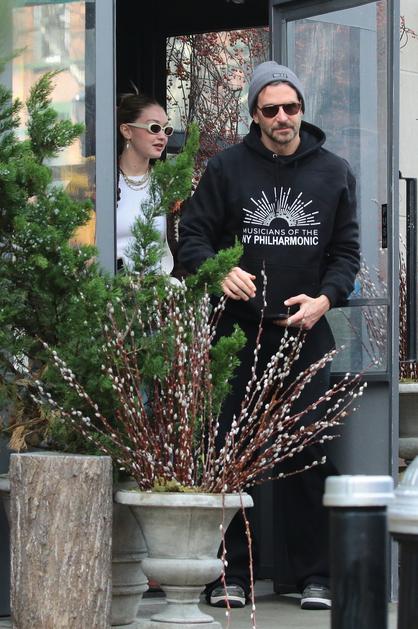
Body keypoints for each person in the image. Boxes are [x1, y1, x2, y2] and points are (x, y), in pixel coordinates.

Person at [178, 61, 360, 611]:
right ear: (255, 115)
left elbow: (346, 252)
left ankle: (315, 576)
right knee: (230, 453)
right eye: (271, 109)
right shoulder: (226, 168)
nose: (283, 117)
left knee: (307, 454)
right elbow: (191, 238)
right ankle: (229, 574)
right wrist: (217, 270)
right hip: (238, 336)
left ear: (302, 109)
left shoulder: (334, 172)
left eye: (292, 107)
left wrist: (325, 299)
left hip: (306, 338)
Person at [116, 93, 176, 273]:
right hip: (107, 284)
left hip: (156, 285)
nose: (162, 136)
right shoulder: (95, 183)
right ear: (127, 131)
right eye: (154, 128)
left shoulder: (167, 183)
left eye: (166, 130)